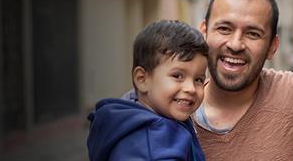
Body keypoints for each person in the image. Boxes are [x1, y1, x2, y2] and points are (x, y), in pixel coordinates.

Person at [194, 0, 293, 160]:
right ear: (203, 32)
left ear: (272, 47)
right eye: (224, 28)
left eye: (253, 34)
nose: (235, 45)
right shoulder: (170, 109)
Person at [87, 20, 208, 160]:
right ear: (142, 79)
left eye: (198, 79)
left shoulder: (143, 115)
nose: (191, 88)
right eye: (177, 76)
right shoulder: (152, 143)